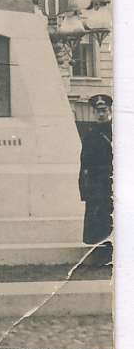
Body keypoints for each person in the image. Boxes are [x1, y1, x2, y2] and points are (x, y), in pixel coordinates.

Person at [79, 93, 113, 263]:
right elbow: (84, 161)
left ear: (109, 110)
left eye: (104, 110)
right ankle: (100, 256)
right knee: (97, 220)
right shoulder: (90, 133)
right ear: (93, 113)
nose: (101, 114)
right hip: (96, 184)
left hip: (113, 182)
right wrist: (83, 188)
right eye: (98, 111)